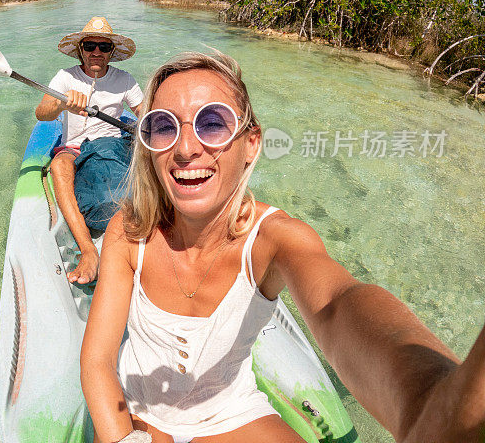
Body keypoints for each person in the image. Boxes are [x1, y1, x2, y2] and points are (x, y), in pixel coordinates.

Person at [80, 51, 485, 443]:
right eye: (165, 126)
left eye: (213, 123)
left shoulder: (274, 238)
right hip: (137, 407)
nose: (186, 148)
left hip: (230, 413)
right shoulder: (130, 230)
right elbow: (99, 360)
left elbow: (337, 303)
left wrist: (428, 399)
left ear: (251, 143)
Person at [35, 17, 143, 284]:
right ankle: (88, 250)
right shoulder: (66, 77)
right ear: (81, 49)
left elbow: (145, 114)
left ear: (112, 52)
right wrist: (62, 105)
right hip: (73, 147)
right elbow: (41, 112)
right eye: (90, 46)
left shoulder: (125, 80)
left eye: (104, 47)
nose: (96, 52)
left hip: (112, 143)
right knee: (59, 165)